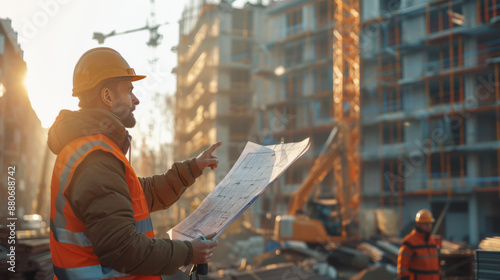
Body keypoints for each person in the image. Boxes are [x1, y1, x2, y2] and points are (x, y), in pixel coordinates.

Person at [48, 47, 220, 279]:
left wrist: (193, 168)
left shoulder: (90, 149)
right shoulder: (96, 159)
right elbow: (123, 249)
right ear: (107, 96)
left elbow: (139, 194)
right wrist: (188, 253)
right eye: (129, 90)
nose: (136, 99)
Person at [397, 209, 440, 280]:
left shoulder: (431, 241)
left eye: (430, 223)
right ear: (418, 224)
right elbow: (403, 266)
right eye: (425, 224)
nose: (428, 226)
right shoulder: (410, 242)